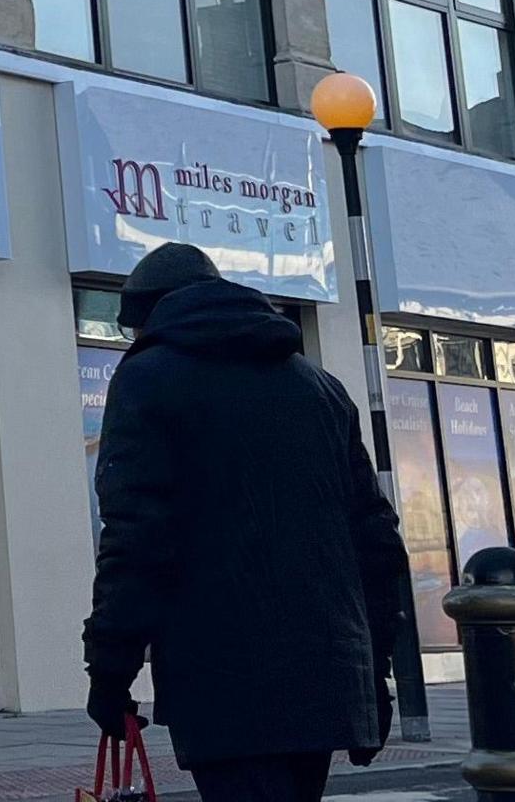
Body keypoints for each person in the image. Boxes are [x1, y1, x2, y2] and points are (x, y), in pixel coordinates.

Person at [82, 243, 410, 802]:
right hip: (325, 670)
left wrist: (110, 671)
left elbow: (137, 539)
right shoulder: (320, 388)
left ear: (149, 317)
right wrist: (373, 672)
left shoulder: (148, 380)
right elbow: (376, 541)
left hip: (220, 674)